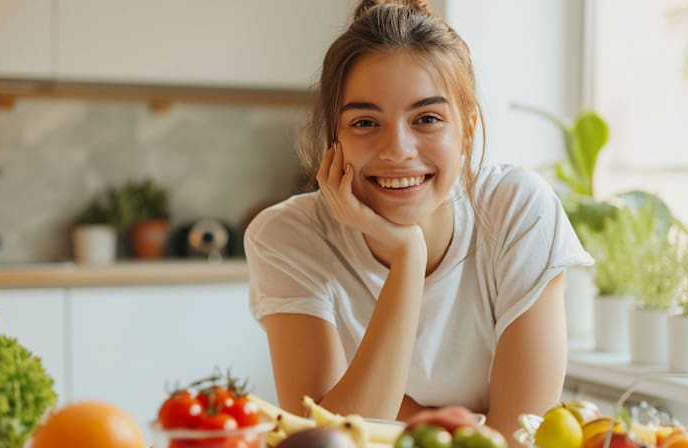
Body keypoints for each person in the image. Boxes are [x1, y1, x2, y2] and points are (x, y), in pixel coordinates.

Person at [244, 0, 593, 443]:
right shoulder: (289, 237)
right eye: (365, 122)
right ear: (334, 137)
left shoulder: (517, 210)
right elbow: (328, 442)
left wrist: (413, 416)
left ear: (466, 129)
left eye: (427, 119)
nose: (397, 149)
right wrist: (407, 257)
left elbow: (518, 437)